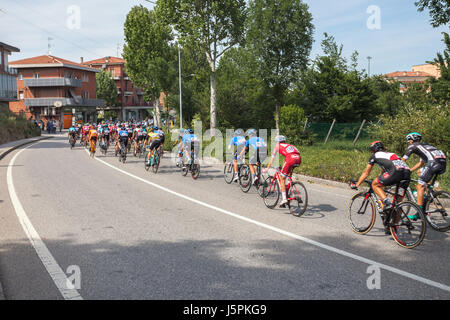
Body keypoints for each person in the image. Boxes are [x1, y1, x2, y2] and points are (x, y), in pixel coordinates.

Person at [351, 141, 411, 233]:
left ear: (373, 150)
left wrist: (357, 184)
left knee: (374, 184)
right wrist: (381, 178)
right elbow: (385, 170)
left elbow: (366, 173)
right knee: (398, 203)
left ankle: (387, 203)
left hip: (395, 172)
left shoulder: (375, 156)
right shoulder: (392, 154)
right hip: (407, 174)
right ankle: (394, 227)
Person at [401, 132, 447, 218]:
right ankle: (428, 194)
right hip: (442, 164)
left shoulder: (413, 146)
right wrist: (410, 171)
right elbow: (421, 163)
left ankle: (419, 212)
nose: (409, 142)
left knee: (420, 185)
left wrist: (397, 169)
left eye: (409, 140)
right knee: (420, 172)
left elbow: (403, 160)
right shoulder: (426, 146)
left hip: (433, 164)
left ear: (411, 140)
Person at [264, 135, 302, 207]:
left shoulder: (277, 146)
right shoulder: (290, 145)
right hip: (298, 159)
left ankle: (284, 199)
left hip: (290, 159)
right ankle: (287, 192)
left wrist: (267, 168)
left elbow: (272, 159)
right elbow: (295, 153)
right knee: (287, 176)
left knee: (281, 177)